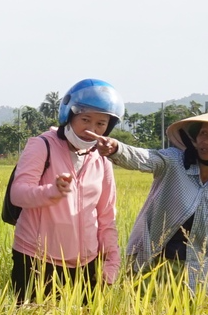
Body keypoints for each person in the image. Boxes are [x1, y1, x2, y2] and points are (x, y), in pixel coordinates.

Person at [99, 107, 208, 290]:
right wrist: (117, 148)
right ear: (195, 138)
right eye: (203, 133)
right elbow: (146, 158)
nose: (207, 141)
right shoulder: (174, 161)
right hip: (149, 259)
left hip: (192, 271)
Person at [8, 78, 123, 300]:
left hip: (86, 263)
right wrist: (51, 192)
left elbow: (106, 216)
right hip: (38, 259)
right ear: (69, 115)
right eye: (85, 119)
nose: (91, 129)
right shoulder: (42, 145)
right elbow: (18, 193)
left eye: (101, 123)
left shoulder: (102, 160)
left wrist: (111, 261)